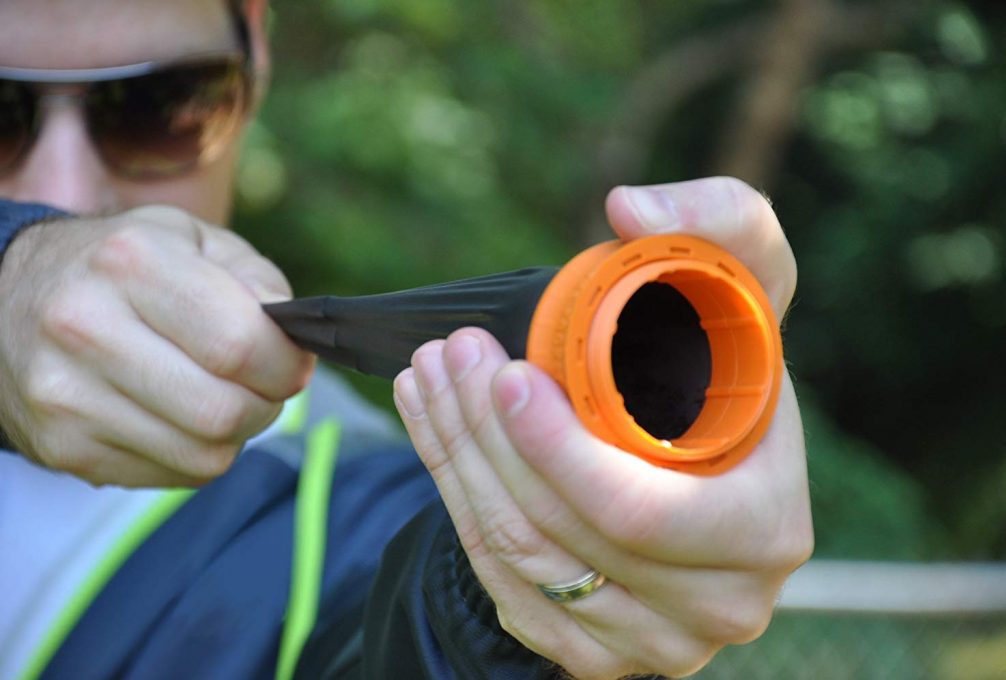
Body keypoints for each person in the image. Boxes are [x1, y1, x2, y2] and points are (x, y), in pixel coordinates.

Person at [0, 1, 814, 678]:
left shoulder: (347, 503)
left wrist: (518, 629)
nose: (65, 190)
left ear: (256, 63)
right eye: (2, 112)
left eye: (161, 105)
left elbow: (393, 632)